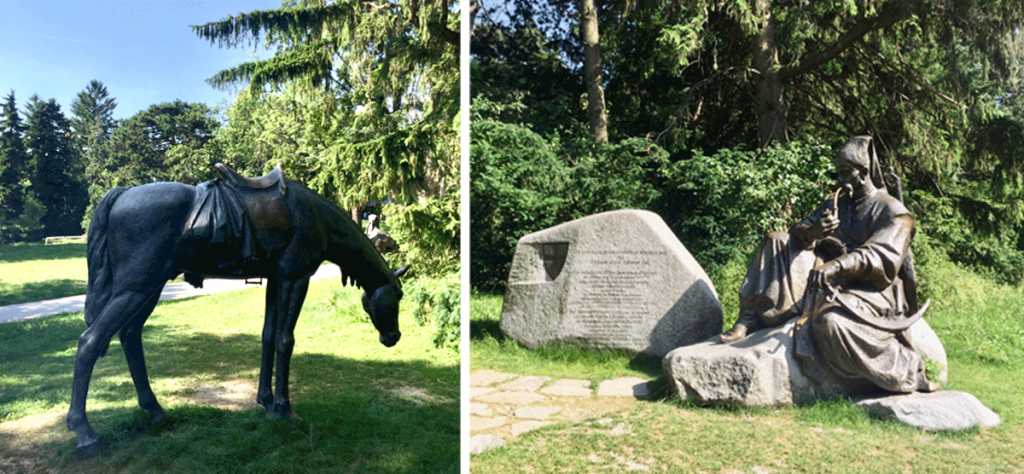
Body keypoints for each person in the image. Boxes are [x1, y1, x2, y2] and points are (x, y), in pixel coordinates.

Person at [719, 136, 938, 393]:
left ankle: (904, 368)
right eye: (838, 173)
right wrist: (813, 231)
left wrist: (837, 266)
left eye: (845, 173)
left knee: (829, 323)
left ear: (864, 172)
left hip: (870, 289)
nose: (839, 180)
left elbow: (880, 256)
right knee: (776, 240)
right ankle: (749, 316)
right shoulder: (838, 202)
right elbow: (797, 229)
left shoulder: (892, 211)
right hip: (825, 274)